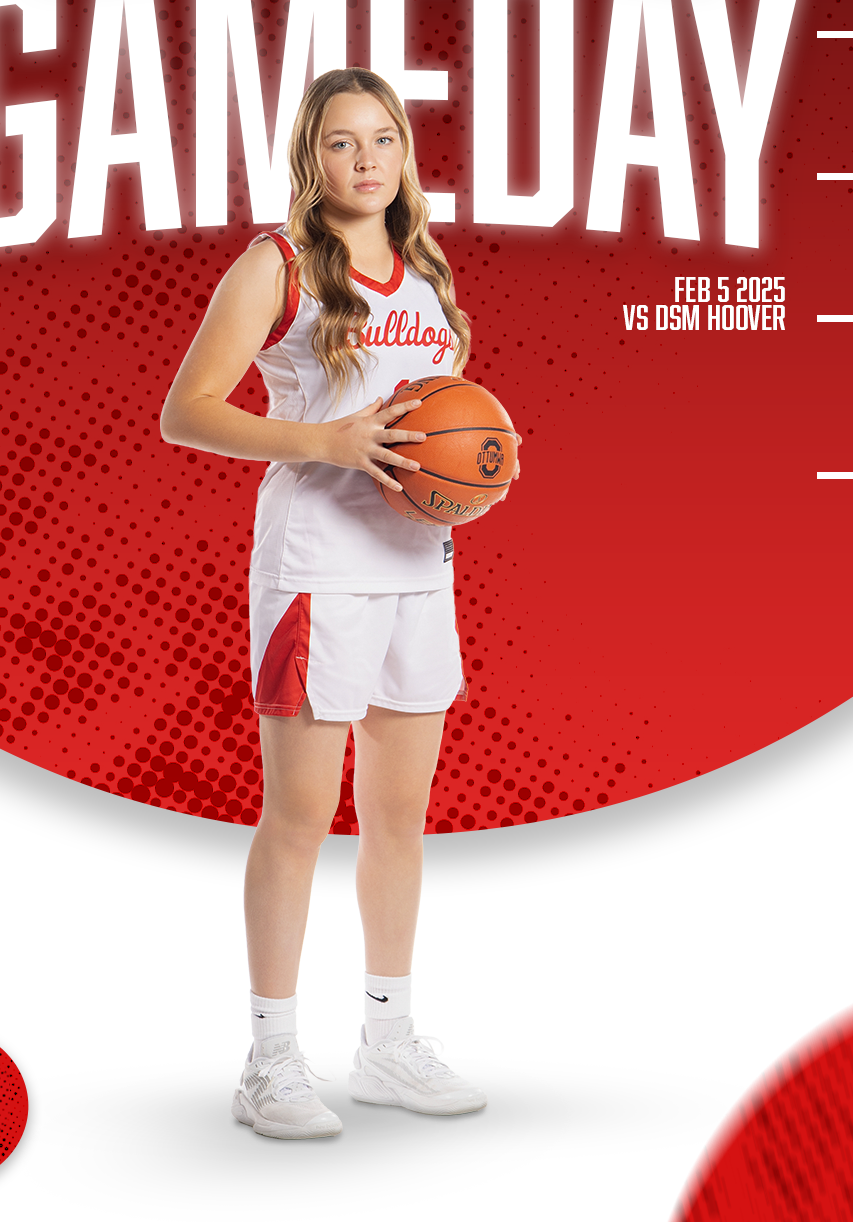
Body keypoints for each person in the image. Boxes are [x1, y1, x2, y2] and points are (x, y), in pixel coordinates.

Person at [160, 67, 510, 1139]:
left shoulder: (427, 269)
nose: (367, 162)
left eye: (385, 142)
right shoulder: (276, 265)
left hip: (417, 567)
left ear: (406, 155)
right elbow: (187, 411)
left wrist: (473, 464)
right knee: (302, 820)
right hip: (315, 569)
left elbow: (436, 418)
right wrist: (328, 442)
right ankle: (270, 1059)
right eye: (344, 143)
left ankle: (388, 1043)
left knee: (399, 821)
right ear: (312, 157)